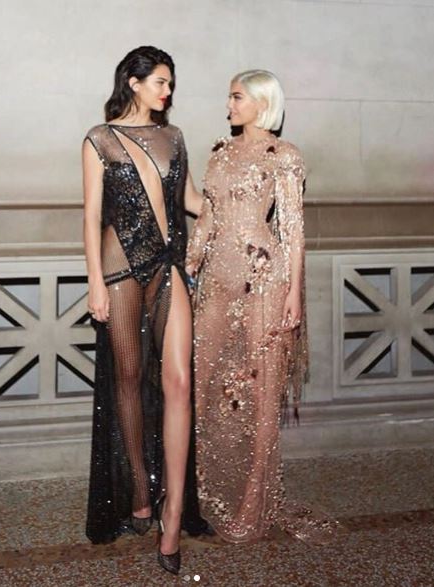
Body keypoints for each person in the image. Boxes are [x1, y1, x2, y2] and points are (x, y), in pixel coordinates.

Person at [186, 69, 338, 544]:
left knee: (261, 388)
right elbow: (207, 217)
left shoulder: (285, 155)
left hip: (264, 280)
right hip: (216, 280)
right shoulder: (219, 151)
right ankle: (206, 493)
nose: (228, 105)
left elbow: (293, 231)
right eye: (230, 96)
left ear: (261, 103)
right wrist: (188, 269)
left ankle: (251, 506)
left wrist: (293, 294)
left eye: (236, 97)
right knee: (204, 381)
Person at [82, 45, 204, 574]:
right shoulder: (100, 138)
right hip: (119, 270)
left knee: (179, 382)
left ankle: (172, 514)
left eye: (170, 83)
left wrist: (244, 199)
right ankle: (138, 487)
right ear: (133, 82)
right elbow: (90, 217)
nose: (168, 92)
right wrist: (95, 283)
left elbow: (193, 201)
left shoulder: (174, 137)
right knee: (129, 379)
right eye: (160, 82)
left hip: (169, 266)